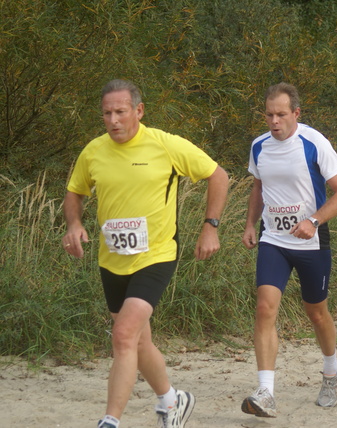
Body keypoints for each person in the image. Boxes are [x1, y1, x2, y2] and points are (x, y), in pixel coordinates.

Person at [62, 79, 229, 428]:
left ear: (138, 110)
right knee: (139, 341)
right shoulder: (93, 151)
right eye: (106, 113)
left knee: (123, 335)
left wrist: (210, 226)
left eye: (120, 112)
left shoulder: (164, 145)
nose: (113, 120)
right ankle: (172, 399)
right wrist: (74, 224)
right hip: (112, 259)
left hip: (156, 256)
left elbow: (218, 175)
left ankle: (110, 420)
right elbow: (75, 192)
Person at [240, 82, 337, 417]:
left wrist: (314, 220)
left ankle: (332, 369)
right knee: (264, 308)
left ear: (296, 114)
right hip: (273, 239)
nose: (275, 121)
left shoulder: (313, 143)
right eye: (269, 115)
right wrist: (249, 224)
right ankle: (266, 392)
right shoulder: (259, 146)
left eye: (281, 114)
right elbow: (258, 187)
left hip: (311, 241)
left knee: (316, 312)